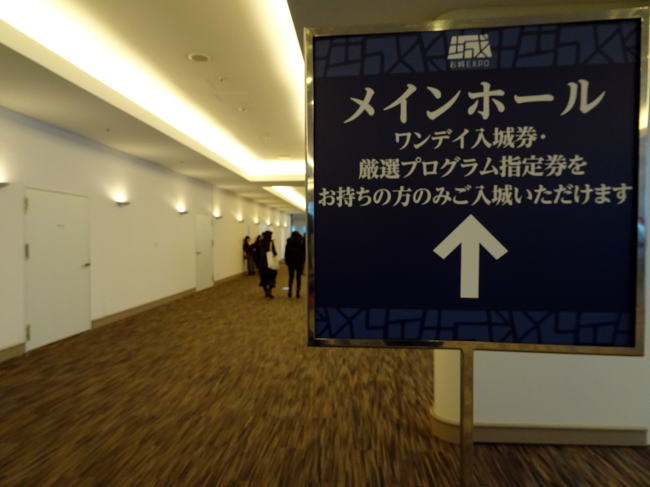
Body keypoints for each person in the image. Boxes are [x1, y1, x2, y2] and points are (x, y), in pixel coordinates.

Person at [256, 230, 277, 298]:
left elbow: (257, 252)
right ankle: (269, 290)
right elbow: (274, 252)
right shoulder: (271, 242)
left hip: (262, 263)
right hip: (270, 263)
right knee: (272, 276)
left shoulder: (260, 242)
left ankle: (265, 292)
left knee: (263, 278)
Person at [284, 231, 305, 298]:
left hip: (291, 262)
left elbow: (286, 253)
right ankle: (297, 293)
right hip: (299, 262)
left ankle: (289, 292)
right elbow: (303, 253)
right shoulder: (301, 242)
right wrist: (303, 262)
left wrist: (287, 261)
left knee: (291, 278)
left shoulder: (288, 243)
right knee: (298, 278)